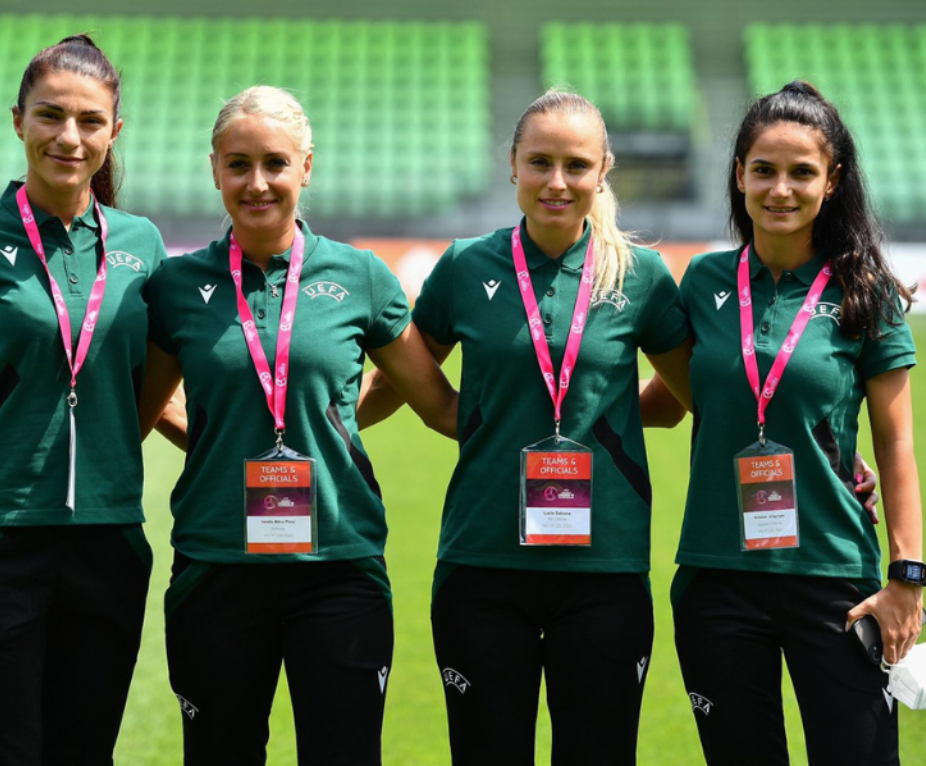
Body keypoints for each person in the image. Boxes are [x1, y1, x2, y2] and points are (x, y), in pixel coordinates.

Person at [361, 89, 693, 764]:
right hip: (483, 563)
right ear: (512, 163)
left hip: (605, 568)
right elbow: (404, 377)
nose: (557, 181)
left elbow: (692, 396)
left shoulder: (641, 275)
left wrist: (605, 420)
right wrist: (322, 427)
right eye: (540, 162)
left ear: (603, 170)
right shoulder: (466, 266)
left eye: (577, 165)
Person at [136, 85, 458, 765]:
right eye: (238, 164)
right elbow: (139, 407)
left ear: (305, 167)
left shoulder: (361, 276)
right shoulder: (175, 286)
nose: (257, 183)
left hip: (338, 570)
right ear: (214, 169)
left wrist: (330, 424)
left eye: (276, 163)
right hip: (216, 567)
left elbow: (435, 403)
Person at [0, 36, 167, 764]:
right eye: (50, 115)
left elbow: (148, 386)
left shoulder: (144, 245)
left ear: (115, 131)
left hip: (110, 544)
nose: (69, 137)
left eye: (90, 120)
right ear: (18, 120)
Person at [671, 80, 923, 766]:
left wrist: (908, 579)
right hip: (716, 578)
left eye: (802, 173)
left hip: (834, 577)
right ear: (739, 175)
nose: (780, 189)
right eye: (764, 170)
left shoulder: (866, 291)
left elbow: (897, 444)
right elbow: (674, 396)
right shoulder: (702, 283)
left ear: (831, 181)